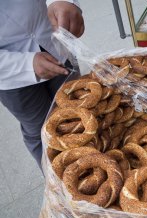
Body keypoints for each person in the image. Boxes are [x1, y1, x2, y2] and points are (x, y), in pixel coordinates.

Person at [0, 0, 84, 168]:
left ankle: (86, 163)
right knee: (41, 130)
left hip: (52, 35)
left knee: (79, 111)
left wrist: (63, 2)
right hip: (11, 75)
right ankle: (56, 183)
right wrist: (26, 64)